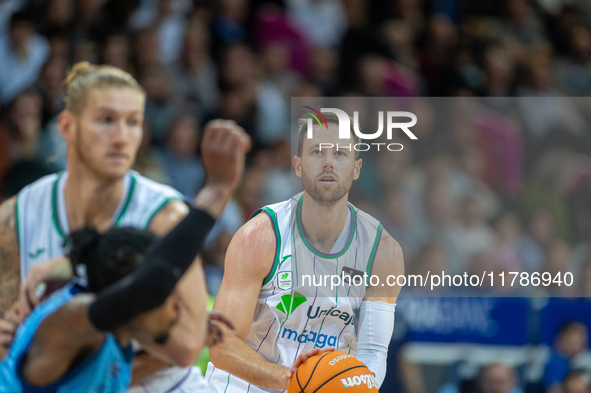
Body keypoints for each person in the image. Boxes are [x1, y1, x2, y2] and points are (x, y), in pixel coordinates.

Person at [0, 61, 248, 391]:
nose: (121, 137)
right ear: (67, 126)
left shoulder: (166, 213)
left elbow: (186, 346)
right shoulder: (17, 215)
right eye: (106, 120)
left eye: (133, 123)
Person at [206, 112, 404, 392]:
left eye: (340, 154)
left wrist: (349, 387)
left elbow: (372, 352)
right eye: (316, 153)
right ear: (298, 166)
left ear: (356, 168)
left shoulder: (384, 253)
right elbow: (221, 344)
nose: (328, 162)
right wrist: (292, 380)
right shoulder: (260, 237)